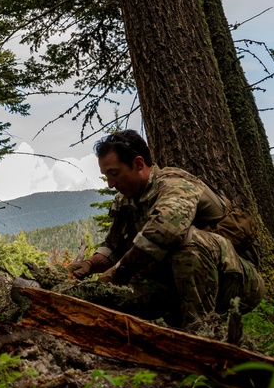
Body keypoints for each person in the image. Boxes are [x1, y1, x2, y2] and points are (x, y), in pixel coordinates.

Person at [69, 130, 264, 329]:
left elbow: (163, 234)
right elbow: (113, 246)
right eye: (106, 175)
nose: (110, 184)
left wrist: (117, 274)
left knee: (186, 241)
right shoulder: (125, 200)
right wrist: (90, 265)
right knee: (105, 301)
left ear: (138, 163)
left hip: (236, 282)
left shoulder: (176, 185)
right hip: (170, 282)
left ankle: (201, 334)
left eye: (114, 173)